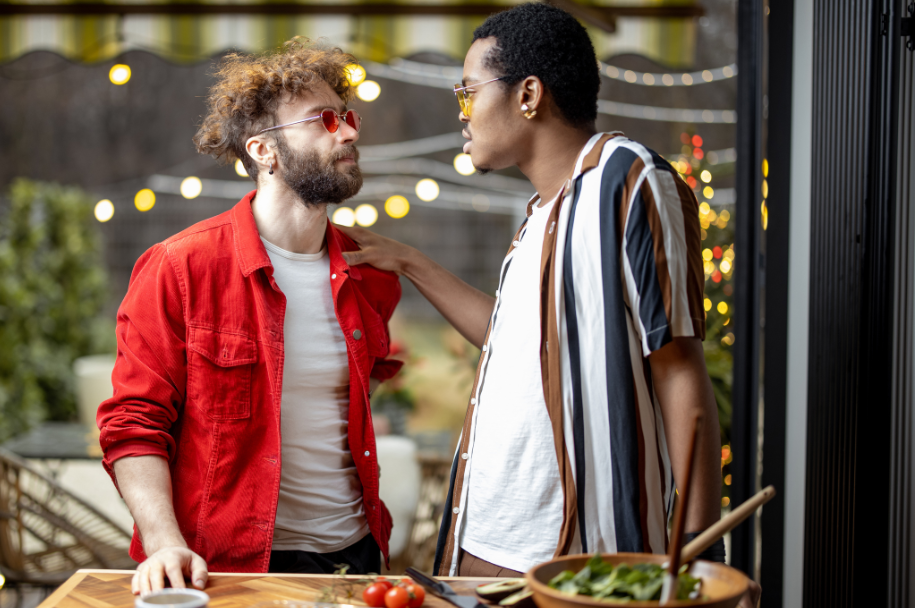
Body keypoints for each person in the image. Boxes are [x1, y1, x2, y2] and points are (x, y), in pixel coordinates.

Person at [338, 4, 758, 606]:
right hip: (483, 541)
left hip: (579, 557)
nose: (462, 114)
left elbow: (677, 364)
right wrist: (409, 262)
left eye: (469, 92)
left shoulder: (627, 178)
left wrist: (700, 552)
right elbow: (515, 340)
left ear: (528, 94)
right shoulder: (540, 214)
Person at [97, 38, 403, 596]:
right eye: (325, 120)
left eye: (349, 116)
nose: (351, 132)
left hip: (355, 557)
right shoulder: (180, 268)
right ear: (263, 151)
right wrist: (164, 541)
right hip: (224, 568)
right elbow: (133, 425)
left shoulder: (372, 276)